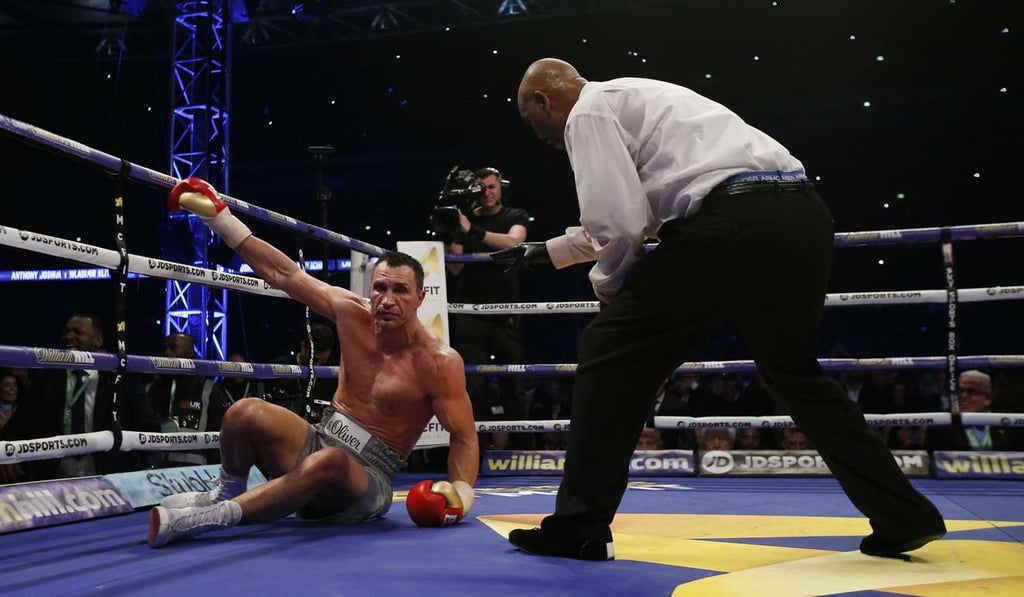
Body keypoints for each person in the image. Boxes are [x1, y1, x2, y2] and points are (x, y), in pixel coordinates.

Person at [503, 58, 945, 561]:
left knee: (607, 349)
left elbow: (621, 223)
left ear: (544, 99)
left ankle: (577, 525)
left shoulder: (587, 109)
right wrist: (549, 250)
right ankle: (904, 515)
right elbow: (643, 211)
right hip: (800, 217)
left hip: (730, 224)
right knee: (794, 374)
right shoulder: (643, 97)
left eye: (529, 119)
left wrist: (614, 292)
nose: (537, 137)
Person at [148, 178, 479, 548]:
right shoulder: (351, 314)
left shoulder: (438, 361)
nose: (386, 299)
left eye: (399, 290)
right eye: (380, 288)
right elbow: (286, 275)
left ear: (420, 298)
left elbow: (463, 436)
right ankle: (226, 493)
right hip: (321, 439)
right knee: (244, 412)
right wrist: (222, 221)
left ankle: (209, 519)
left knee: (331, 461)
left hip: (368, 478)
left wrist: (462, 493)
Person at [444, 167, 531, 449]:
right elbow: (455, 267)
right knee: (473, 383)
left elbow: (514, 244)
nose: (488, 193)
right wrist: (453, 230)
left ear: (500, 187)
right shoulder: (464, 221)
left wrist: (473, 230)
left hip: (505, 310)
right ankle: (475, 449)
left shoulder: (514, 216)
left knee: (513, 381)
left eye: (492, 187)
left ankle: (519, 450)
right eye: (481, 188)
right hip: (470, 310)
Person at [926, 370, 1023, 451]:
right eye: (960, 391)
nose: (963, 396)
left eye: (971, 392)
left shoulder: (1007, 424)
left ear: (987, 399)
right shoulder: (941, 425)